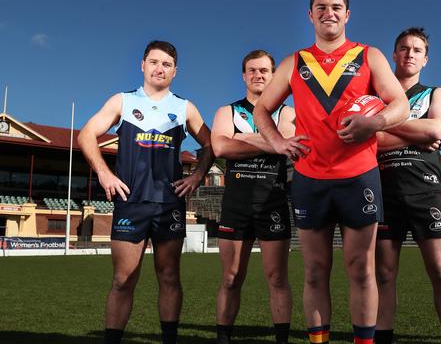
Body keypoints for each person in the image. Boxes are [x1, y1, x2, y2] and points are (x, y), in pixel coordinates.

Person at [253, 0, 409, 344]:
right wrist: (277, 142)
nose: (329, 13)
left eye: (336, 7)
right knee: (314, 272)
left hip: (359, 177)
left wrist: (375, 122)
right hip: (310, 178)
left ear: (347, 14)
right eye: (321, 7)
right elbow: (262, 109)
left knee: (361, 269)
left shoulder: (369, 56)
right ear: (310, 15)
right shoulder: (295, 61)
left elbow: (399, 104)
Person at [78, 40, 214, 344]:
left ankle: (169, 340)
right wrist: (103, 172)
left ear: (175, 72)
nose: (159, 68)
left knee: (169, 277)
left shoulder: (184, 107)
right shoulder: (122, 102)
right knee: (123, 279)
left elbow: (210, 143)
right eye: (154, 62)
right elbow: (86, 133)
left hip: (169, 204)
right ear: (142, 65)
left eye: (166, 64)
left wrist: (199, 175)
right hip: (131, 202)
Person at [374, 27, 441, 344]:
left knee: (440, 271)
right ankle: (384, 338)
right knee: (384, 274)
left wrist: (385, 128)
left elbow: (437, 128)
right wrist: (417, 131)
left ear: (425, 59)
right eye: (403, 48)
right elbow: (371, 139)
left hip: (426, 192)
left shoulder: (436, 93)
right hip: (384, 194)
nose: (410, 54)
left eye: (417, 50)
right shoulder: (377, 96)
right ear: (394, 55)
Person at [211, 50, 295, 344]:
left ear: (273, 75)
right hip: (236, 204)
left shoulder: (286, 112)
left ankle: (281, 339)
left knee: (277, 278)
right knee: (231, 278)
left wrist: (240, 138)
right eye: (252, 70)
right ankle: (223, 337)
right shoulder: (227, 112)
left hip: (272, 202)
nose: (258, 75)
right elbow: (220, 148)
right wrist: (271, 142)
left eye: (264, 70)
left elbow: (285, 144)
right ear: (244, 75)